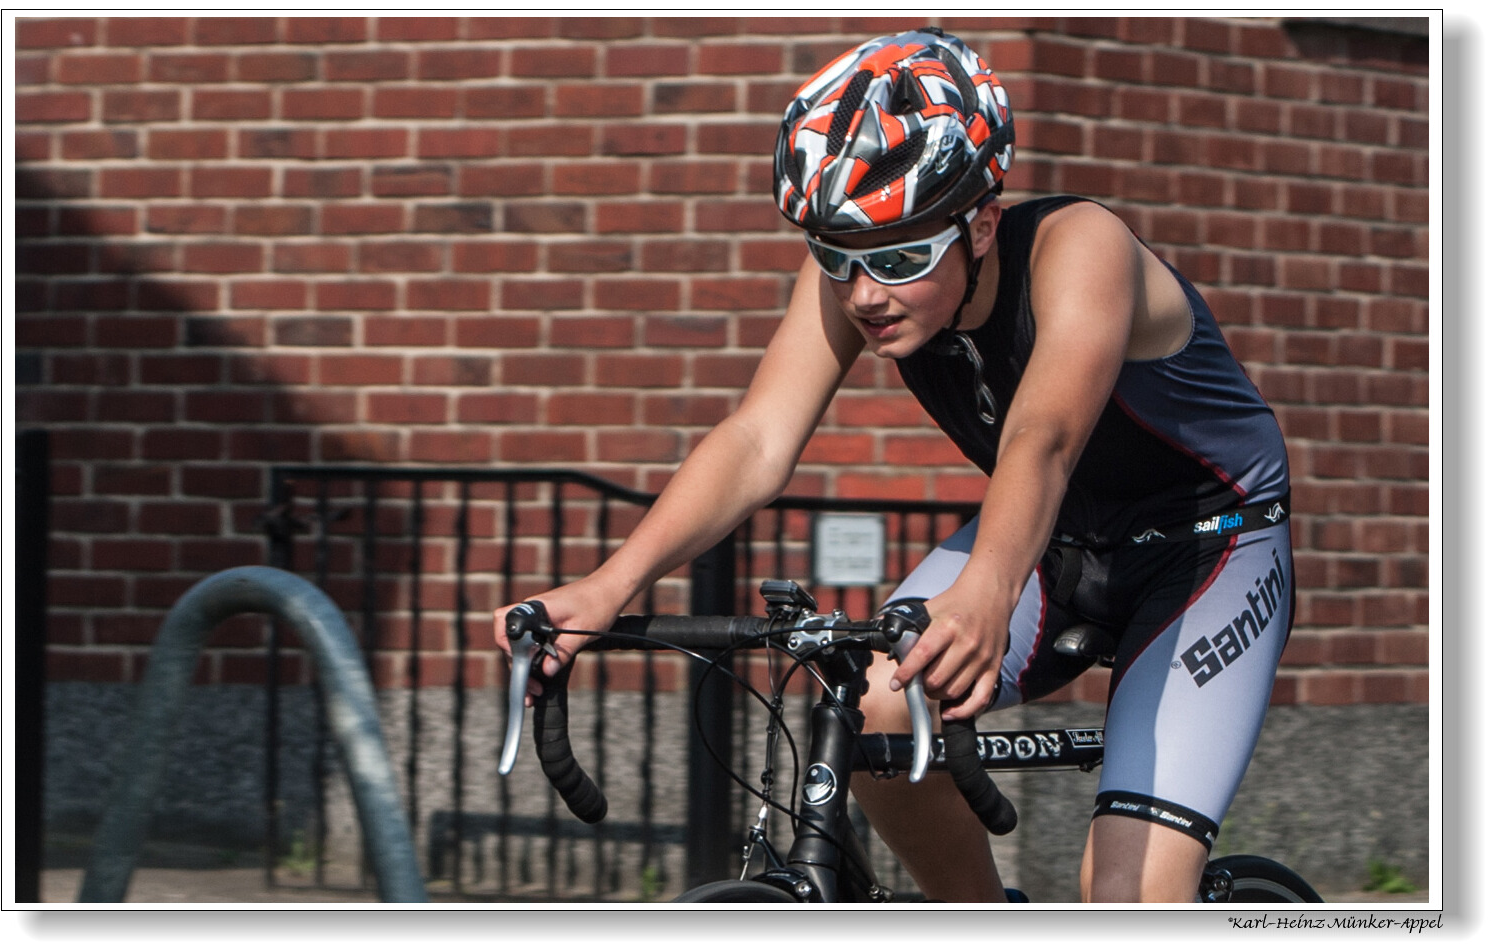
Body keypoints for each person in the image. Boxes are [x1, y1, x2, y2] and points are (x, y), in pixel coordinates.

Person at [494, 27, 1293, 903]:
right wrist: (611, 585)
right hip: (1060, 535)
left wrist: (987, 591)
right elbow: (759, 437)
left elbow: (1045, 437)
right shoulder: (858, 277)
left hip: (1209, 546)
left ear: (983, 223)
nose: (866, 292)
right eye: (838, 257)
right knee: (874, 706)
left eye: (902, 257)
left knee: (1129, 896)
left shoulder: (1083, 248)